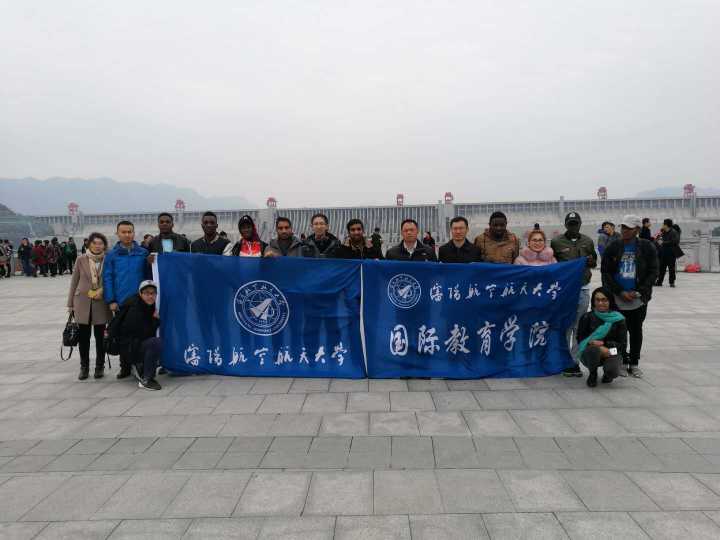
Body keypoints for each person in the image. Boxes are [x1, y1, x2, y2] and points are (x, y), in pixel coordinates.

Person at [601, 214, 658, 378]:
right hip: (617, 296)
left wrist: (638, 291)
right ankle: (621, 360)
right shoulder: (614, 246)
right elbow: (606, 271)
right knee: (616, 331)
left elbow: (653, 270)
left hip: (638, 298)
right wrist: (619, 291)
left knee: (636, 330)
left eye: (629, 228)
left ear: (637, 230)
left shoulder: (647, 247)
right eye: (623, 227)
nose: (624, 230)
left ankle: (634, 363)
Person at [551, 211, 597, 377]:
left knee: (579, 326)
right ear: (565, 225)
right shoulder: (556, 242)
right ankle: (562, 359)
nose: (573, 227)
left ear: (580, 224)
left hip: (582, 289)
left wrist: (591, 261)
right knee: (565, 326)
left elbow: (594, 260)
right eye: (570, 224)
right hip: (565, 291)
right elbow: (552, 264)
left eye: (576, 224)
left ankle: (574, 361)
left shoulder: (588, 241)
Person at [103, 220, 150, 379]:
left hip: (140, 302)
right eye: (123, 232)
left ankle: (141, 363)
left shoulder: (143, 253)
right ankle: (125, 367)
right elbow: (108, 278)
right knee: (123, 336)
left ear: (133, 233)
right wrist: (111, 300)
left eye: (130, 231)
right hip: (121, 303)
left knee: (142, 335)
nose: (127, 235)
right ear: (117, 233)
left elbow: (148, 276)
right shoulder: (111, 255)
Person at [67, 232, 111, 380]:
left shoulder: (108, 259)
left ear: (104, 245)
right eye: (95, 243)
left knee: (100, 338)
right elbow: (74, 281)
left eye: (100, 243)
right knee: (83, 338)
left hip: (101, 302)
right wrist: (70, 304)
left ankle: (100, 366)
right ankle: (84, 367)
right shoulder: (81, 260)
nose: (98, 246)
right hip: (82, 303)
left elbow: (111, 279)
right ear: (89, 244)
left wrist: (104, 291)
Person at [112, 280, 162, 390]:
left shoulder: (145, 305)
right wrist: (155, 321)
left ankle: (140, 366)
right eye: (147, 293)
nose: (150, 296)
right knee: (155, 343)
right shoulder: (135, 309)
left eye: (153, 293)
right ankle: (146, 379)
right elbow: (142, 333)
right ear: (140, 294)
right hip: (129, 348)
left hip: (134, 344)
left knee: (155, 342)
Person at [576, 287, 627, 387]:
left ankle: (608, 374)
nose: (600, 303)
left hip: (613, 351)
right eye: (597, 300)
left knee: (613, 370)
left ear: (610, 301)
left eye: (604, 300)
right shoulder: (587, 317)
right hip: (591, 351)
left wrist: (605, 346)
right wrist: (593, 344)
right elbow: (580, 339)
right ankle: (593, 374)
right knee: (593, 350)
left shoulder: (619, 319)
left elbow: (623, 345)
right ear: (593, 301)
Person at [656, 218, 682, 287]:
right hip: (663, 252)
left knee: (671, 268)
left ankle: (672, 282)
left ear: (666, 225)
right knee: (662, 268)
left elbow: (675, 241)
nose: (662, 225)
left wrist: (663, 243)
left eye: (663, 224)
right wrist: (659, 234)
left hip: (671, 253)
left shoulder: (673, 232)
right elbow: (657, 238)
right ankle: (659, 282)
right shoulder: (663, 232)